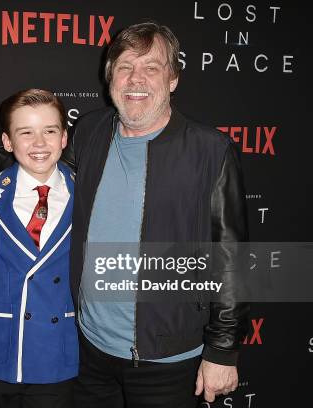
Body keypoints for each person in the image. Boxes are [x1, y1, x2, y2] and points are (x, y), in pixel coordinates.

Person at [61, 22, 250, 407]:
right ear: (109, 74)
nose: (136, 79)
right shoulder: (89, 131)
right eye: (125, 65)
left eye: (152, 67)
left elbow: (232, 258)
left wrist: (223, 350)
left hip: (168, 361)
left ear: (173, 78)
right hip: (88, 350)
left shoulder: (210, 150)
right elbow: (40, 163)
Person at [0, 89, 78, 408]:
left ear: (64, 138)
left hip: (58, 356)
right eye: (26, 132)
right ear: (7, 142)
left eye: (49, 131)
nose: (39, 143)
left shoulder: (88, 194)